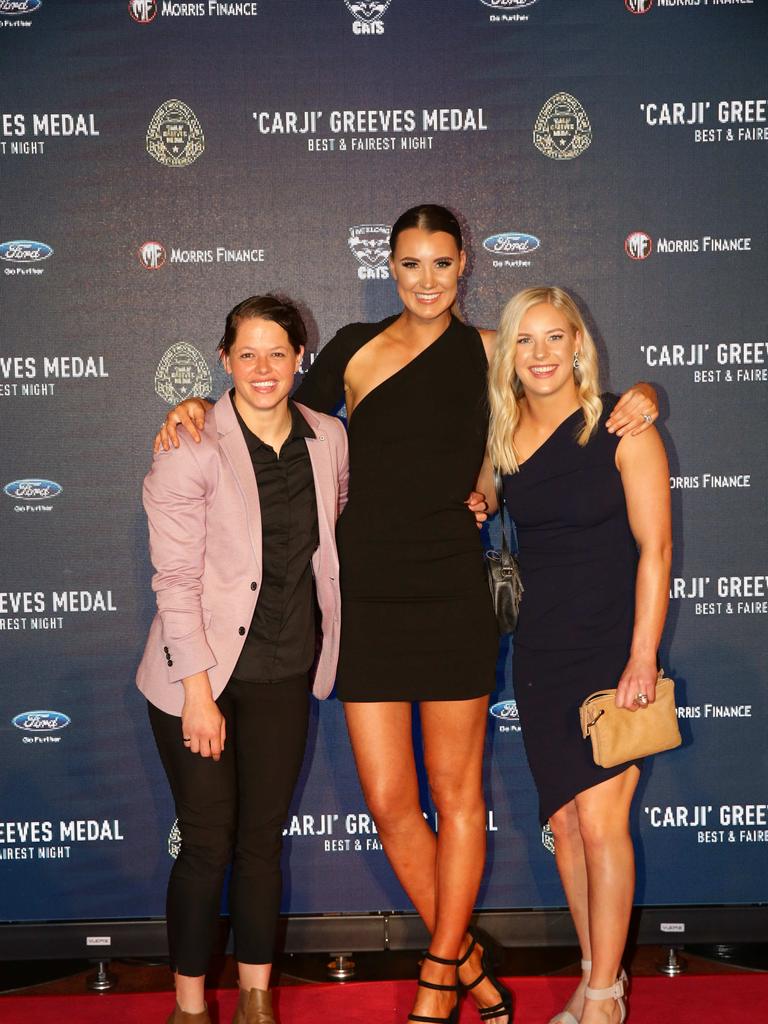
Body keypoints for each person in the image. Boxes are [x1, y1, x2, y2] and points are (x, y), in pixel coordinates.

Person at [155, 207, 659, 1024]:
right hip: (367, 599)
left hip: (453, 595)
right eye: (410, 264)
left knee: (459, 799)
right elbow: (270, 408)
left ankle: (436, 973)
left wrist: (630, 399)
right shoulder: (354, 348)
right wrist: (191, 407)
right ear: (390, 267)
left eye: (441, 264)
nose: (426, 280)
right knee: (391, 803)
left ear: (464, 267)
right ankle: (468, 967)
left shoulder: (497, 349)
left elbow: (551, 414)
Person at [137, 295, 349, 1024]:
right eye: (247, 354)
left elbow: (336, 528)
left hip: (286, 670)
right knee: (206, 844)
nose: (263, 369)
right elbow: (175, 581)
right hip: (197, 679)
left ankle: (257, 1001)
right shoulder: (188, 445)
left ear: (300, 359)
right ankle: (191, 1010)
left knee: (261, 846)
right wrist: (198, 695)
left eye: (278, 353)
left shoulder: (329, 439)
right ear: (223, 360)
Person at [486, 287, 672, 1024]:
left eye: (554, 338)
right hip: (538, 651)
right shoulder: (500, 440)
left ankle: (603, 999)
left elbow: (656, 550)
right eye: (525, 341)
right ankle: (599, 976)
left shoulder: (625, 426)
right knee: (564, 823)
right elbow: (476, 497)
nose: (541, 354)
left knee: (602, 825)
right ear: (509, 352)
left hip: (609, 649)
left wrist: (643, 656)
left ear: (578, 346)